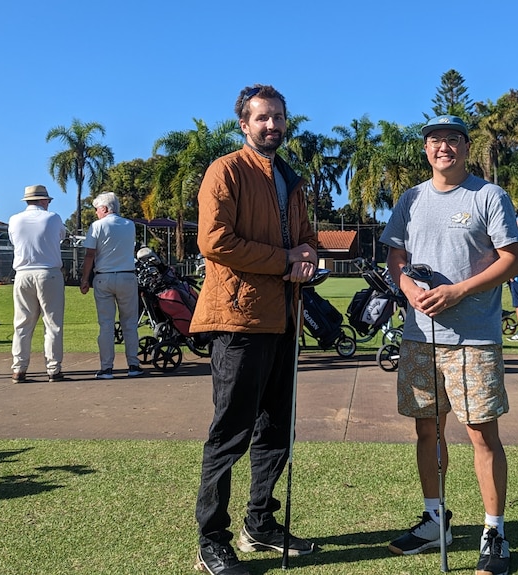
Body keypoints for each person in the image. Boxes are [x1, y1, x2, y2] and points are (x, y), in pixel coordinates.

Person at [380, 115, 518, 575]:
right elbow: (395, 255)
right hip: (419, 336)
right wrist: (407, 288)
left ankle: (494, 531)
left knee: (481, 434)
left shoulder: (488, 196)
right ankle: (435, 519)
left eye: (453, 140)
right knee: (426, 430)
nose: (443, 147)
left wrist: (458, 291)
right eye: (435, 140)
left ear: (466, 147)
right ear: (426, 149)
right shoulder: (411, 199)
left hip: (473, 339)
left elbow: (511, 261)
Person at [189, 84, 319, 575]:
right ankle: (212, 538)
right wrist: (284, 260)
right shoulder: (226, 170)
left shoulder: (291, 177)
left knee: (275, 429)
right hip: (238, 319)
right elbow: (215, 240)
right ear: (244, 124)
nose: (272, 126)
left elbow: (305, 238)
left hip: (285, 318)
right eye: (262, 118)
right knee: (231, 432)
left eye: (279, 118)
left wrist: (307, 255)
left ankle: (259, 522)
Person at [80, 192, 143, 380]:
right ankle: (133, 364)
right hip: (127, 276)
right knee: (130, 324)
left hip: (104, 277)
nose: (96, 213)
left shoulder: (97, 226)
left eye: (98, 209)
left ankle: (107, 368)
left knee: (106, 325)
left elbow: (90, 254)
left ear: (105, 209)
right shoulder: (129, 225)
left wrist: (84, 279)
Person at [8, 185, 67, 383]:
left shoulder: (14, 219)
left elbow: (13, 241)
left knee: (22, 323)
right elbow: (61, 237)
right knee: (52, 323)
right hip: (48, 272)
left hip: (23, 273)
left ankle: (19, 368)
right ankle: (53, 368)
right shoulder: (53, 218)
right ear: (43, 201)